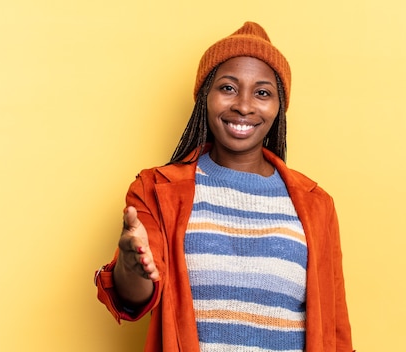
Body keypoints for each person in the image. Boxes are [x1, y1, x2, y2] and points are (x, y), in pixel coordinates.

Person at [94, 21, 354, 352]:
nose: (244, 106)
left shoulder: (316, 204)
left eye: (262, 92)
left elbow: (335, 329)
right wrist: (132, 267)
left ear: (278, 108)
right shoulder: (157, 190)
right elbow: (133, 299)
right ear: (206, 96)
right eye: (228, 88)